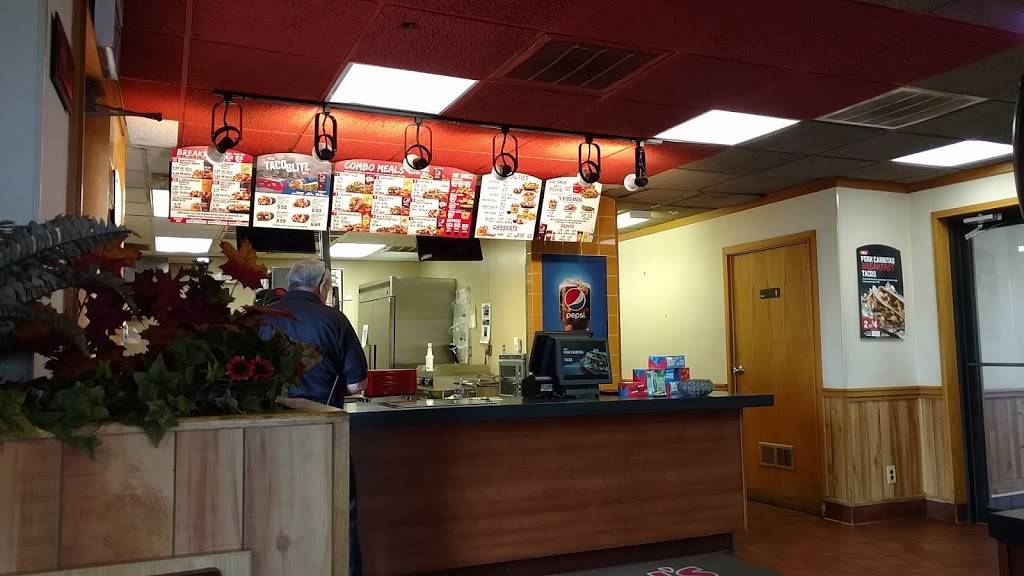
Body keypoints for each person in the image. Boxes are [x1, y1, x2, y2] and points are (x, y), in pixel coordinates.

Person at [260, 259, 367, 575]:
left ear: (289, 283)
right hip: (324, 432)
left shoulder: (262, 317)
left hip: (268, 434)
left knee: (272, 513)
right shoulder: (335, 319)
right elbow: (357, 385)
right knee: (339, 511)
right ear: (323, 286)